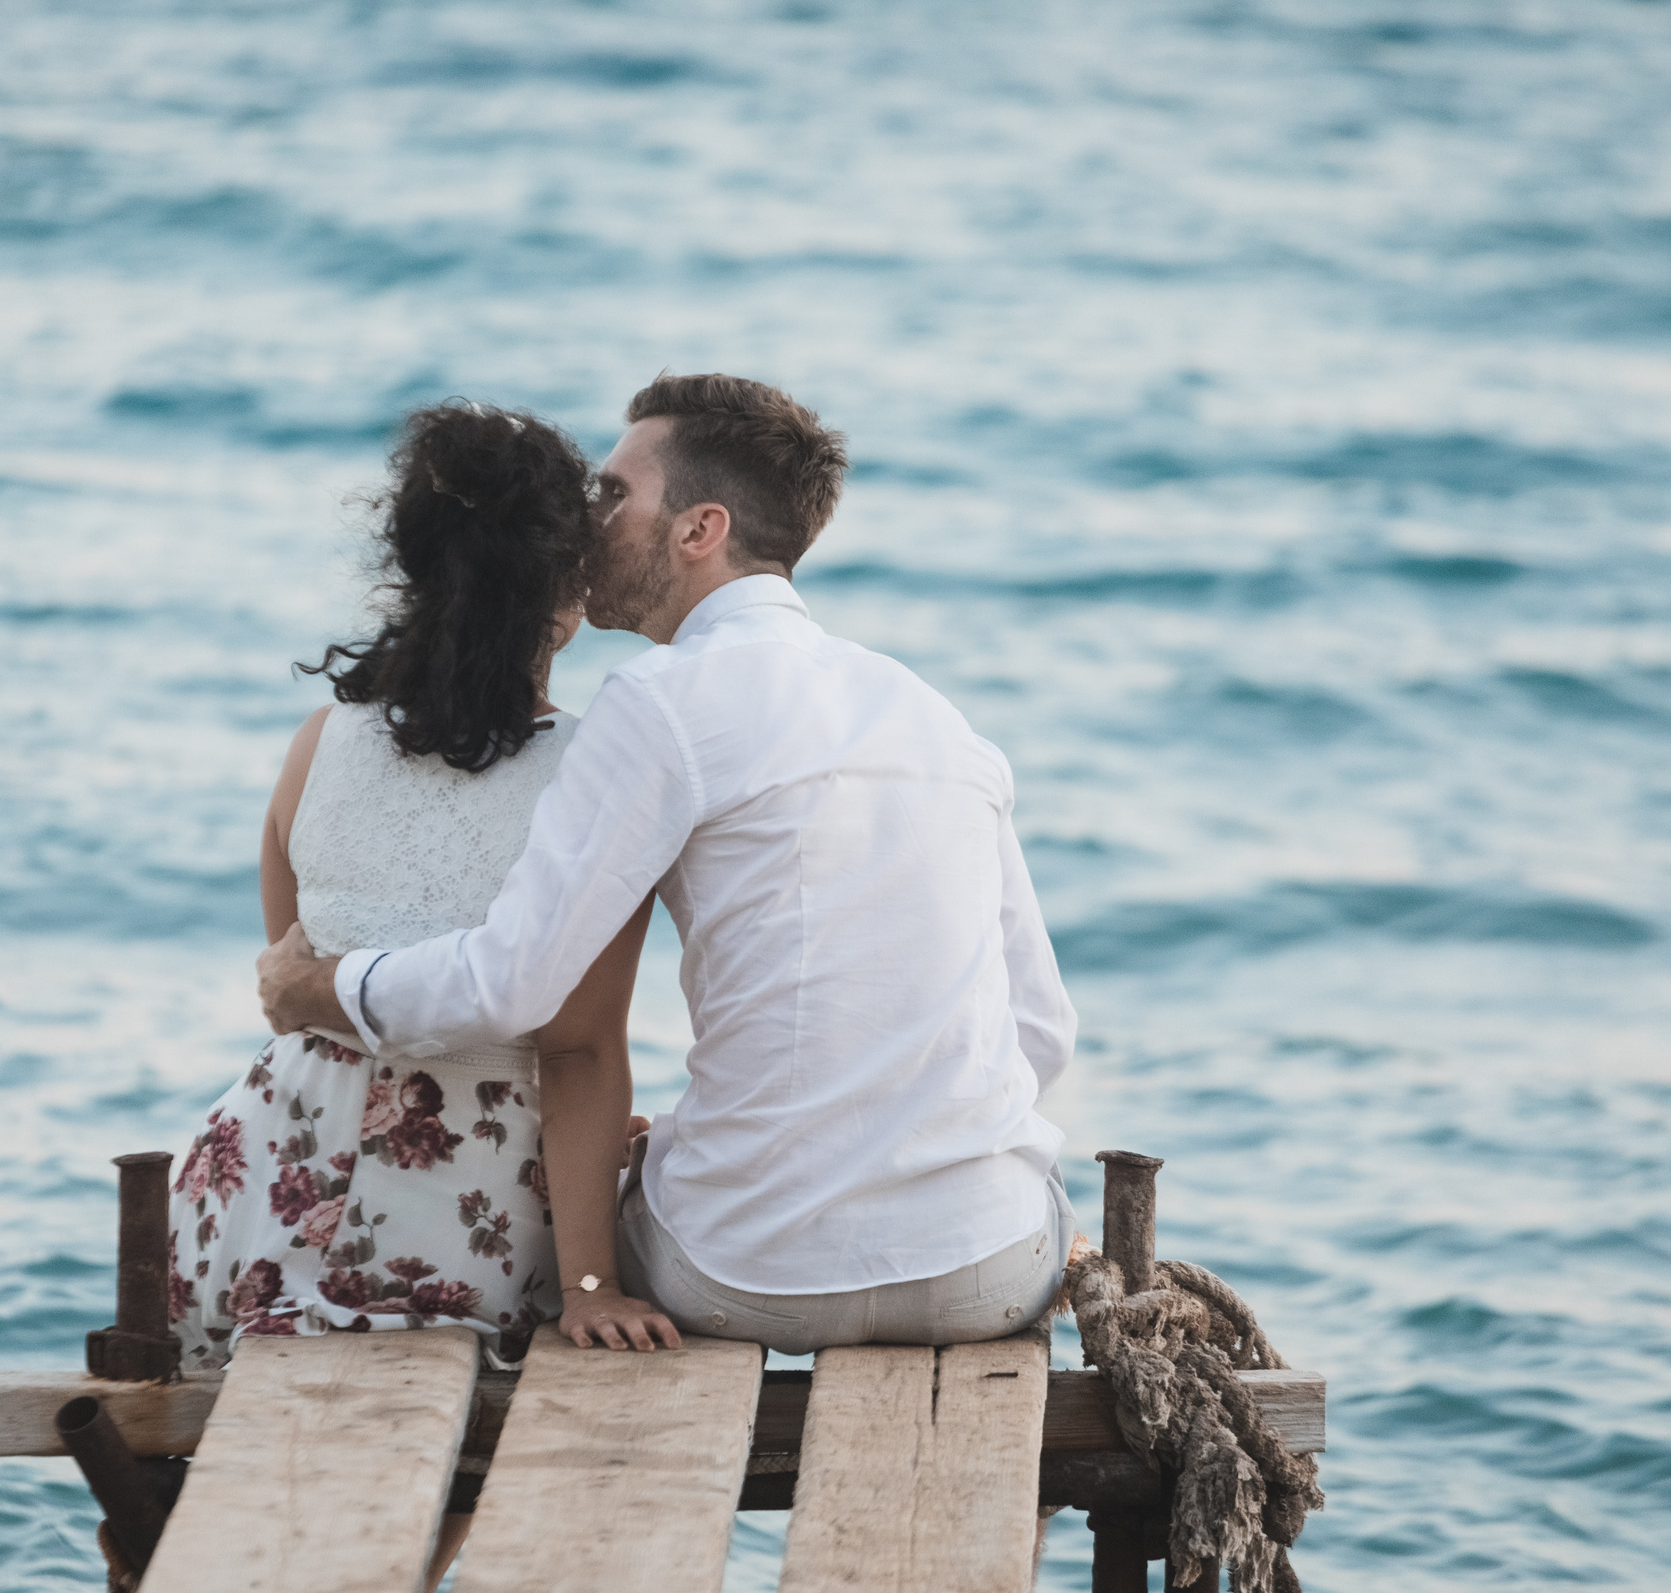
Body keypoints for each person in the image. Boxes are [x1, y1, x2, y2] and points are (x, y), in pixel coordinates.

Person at [259, 373, 1080, 1357]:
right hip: (982, 1273)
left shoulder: (658, 701)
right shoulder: (931, 713)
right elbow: (1041, 1032)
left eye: (614, 493)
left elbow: (512, 987)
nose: (588, 519)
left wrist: (318, 986)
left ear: (698, 531)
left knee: (588, 1211)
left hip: (745, 1278)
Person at [166, 401, 656, 1375]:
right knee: (445, 1483)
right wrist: (593, 1286)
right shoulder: (596, 770)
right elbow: (578, 1053)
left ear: (411, 570)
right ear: (566, 589)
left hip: (252, 1191)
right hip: (455, 1229)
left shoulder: (321, 739)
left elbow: (299, 992)